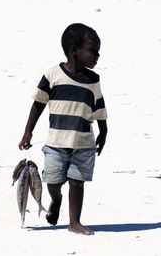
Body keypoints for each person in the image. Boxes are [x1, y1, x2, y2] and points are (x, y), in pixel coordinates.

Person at [18, 23, 108, 235]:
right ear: (74, 49)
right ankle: (56, 200)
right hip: (56, 143)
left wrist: (104, 131)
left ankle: (74, 222)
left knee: (77, 183)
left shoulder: (93, 81)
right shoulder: (53, 75)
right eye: (93, 50)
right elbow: (39, 103)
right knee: (53, 182)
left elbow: (100, 108)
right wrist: (28, 131)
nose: (97, 55)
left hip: (83, 143)